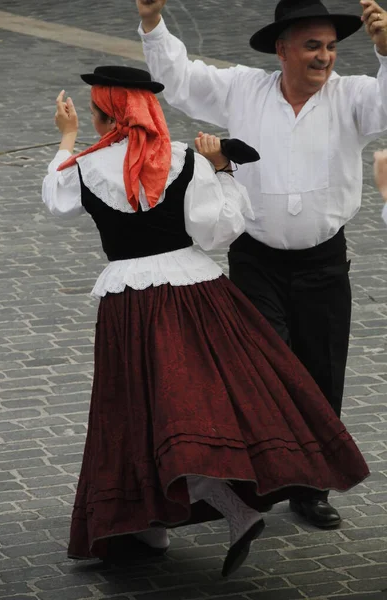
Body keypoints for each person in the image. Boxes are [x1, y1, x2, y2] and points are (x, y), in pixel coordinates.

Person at [42, 65, 369, 576]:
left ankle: (151, 524)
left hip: (129, 303)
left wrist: (67, 140)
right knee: (204, 405)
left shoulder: (85, 167)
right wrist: (220, 171)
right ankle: (197, 513)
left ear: (103, 114)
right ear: (148, 112)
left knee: (136, 410)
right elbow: (218, 233)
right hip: (197, 295)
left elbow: (56, 202)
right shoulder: (183, 161)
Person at [136, 0, 387, 528]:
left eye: (332, 46)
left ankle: (309, 487)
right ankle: (260, 475)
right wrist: (153, 20)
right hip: (255, 260)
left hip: (324, 263)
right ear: (282, 50)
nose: (325, 57)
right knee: (262, 368)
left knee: (320, 374)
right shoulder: (242, 89)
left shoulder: (355, 95)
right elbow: (178, 78)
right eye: (312, 46)